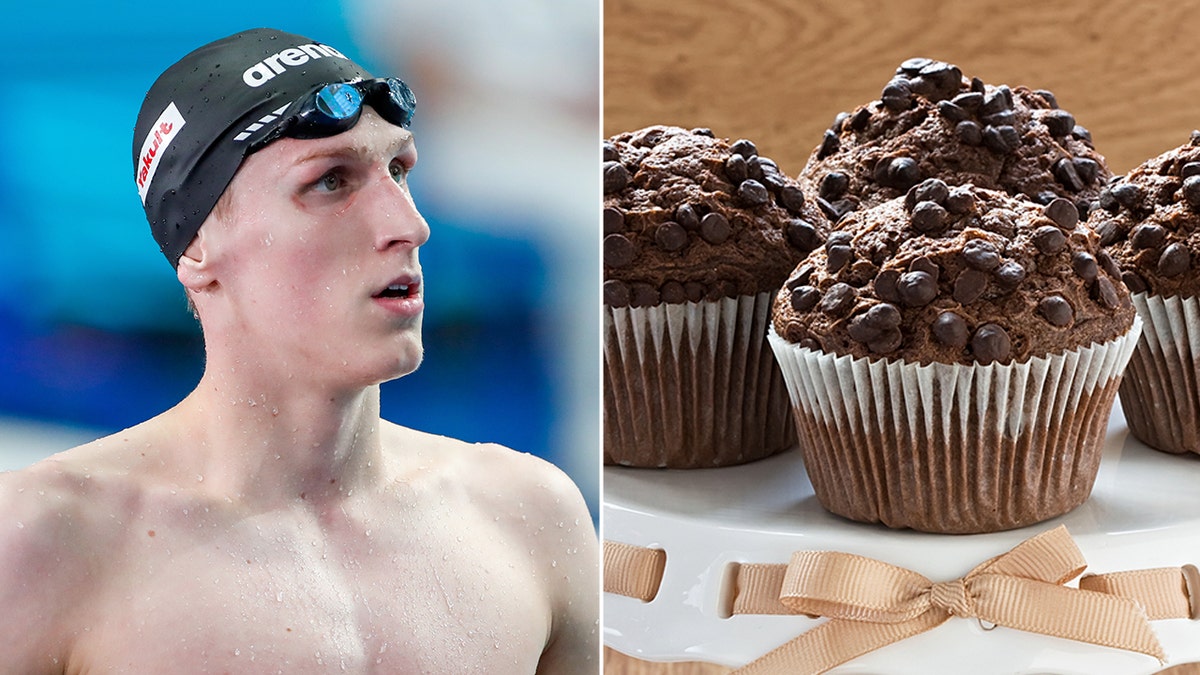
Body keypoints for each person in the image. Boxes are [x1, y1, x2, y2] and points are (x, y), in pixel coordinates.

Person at [0, 27, 598, 673]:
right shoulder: (46, 537)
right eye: (331, 183)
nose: (409, 225)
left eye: (399, 170)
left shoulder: (529, 513)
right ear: (198, 245)